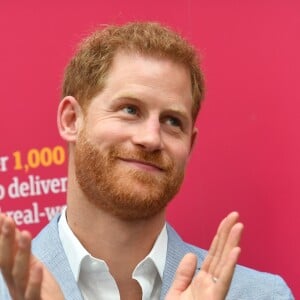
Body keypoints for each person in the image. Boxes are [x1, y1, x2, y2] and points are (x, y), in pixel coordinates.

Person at [0, 22, 294, 300]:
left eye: (172, 121)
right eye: (130, 110)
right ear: (71, 120)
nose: (152, 138)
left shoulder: (262, 294)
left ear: (189, 145)